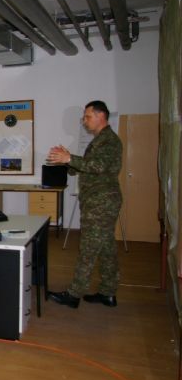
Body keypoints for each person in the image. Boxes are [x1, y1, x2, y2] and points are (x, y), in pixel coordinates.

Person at [46, 100, 123, 308]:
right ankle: (108, 293)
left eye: (87, 117)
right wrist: (67, 161)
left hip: (102, 203)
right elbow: (87, 167)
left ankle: (73, 295)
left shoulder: (109, 141)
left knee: (88, 248)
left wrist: (69, 158)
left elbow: (98, 166)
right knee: (106, 248)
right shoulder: (99, 140)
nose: (84, 121)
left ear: (101, 116)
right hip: (97, 201)